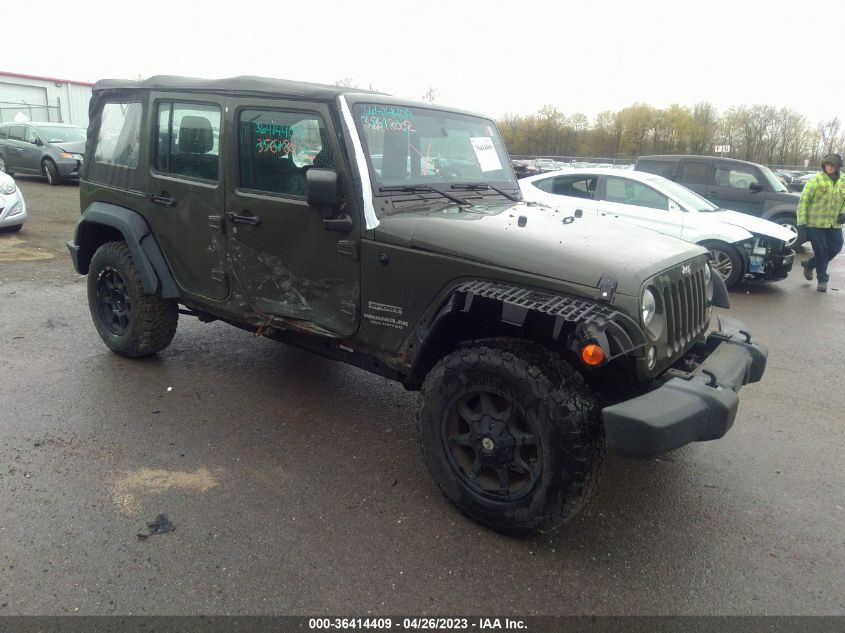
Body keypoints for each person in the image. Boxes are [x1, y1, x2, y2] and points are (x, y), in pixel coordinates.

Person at [798, 153, 845, 292]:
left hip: (834, 224)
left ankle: (809, 264)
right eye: (827, 165)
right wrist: (801, 222)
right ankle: (822, 280)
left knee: (836, 247)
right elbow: (803, 202)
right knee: (821, 251)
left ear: (837, 166)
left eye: (832, 165)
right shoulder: (815, 181)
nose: (829, 167)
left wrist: (844, 213)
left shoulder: (843, 181)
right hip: (815, 224)